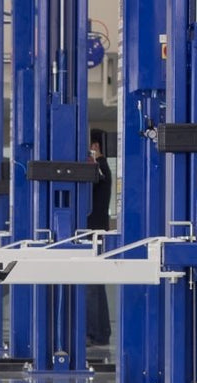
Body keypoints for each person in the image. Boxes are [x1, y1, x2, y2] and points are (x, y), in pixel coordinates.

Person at [85, 135, 113, 346]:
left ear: (95, 147)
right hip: (93, 233)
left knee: (92, 285)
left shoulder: (100, 170)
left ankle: (96, 333)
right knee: (94, 284)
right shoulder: (102, 170)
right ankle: (100, 332)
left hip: (92, 234)